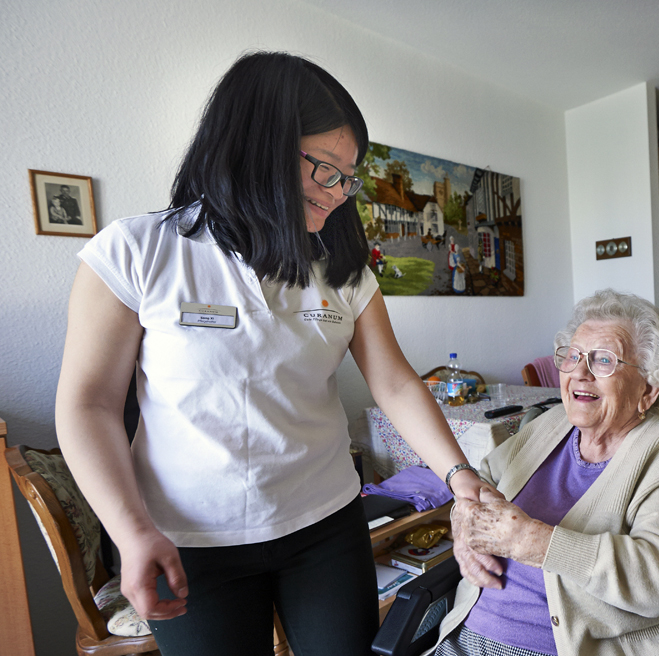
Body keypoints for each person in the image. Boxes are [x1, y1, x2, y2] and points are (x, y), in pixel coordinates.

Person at [54, 51, 491, 656]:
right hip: (190, 539)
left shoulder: (343, 272)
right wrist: (131, 533)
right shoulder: (137, 252)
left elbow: (394, 383)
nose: (339, 193)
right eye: (324, 168)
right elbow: (89, 405)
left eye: (349, 175)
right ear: (254, 144)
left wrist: (459, 475)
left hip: (326, 525)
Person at [436, 289, 659, 656]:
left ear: (647, 389)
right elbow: (481, 479)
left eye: (603, 360)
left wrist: (534, 542)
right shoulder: (551, 423)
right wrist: (464, 516)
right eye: (572, 356)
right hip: (463, 634)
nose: (579, 373)